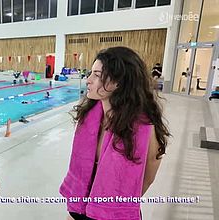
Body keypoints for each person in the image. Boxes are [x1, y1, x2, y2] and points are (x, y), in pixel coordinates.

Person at [60, 47, 170, 220]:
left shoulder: (143, 128)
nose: (88, 80)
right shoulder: (89, 120)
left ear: (118, 82)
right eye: (91, 73)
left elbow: (147, 178)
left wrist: (113, 207)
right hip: (79, 208)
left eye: (96, 75)